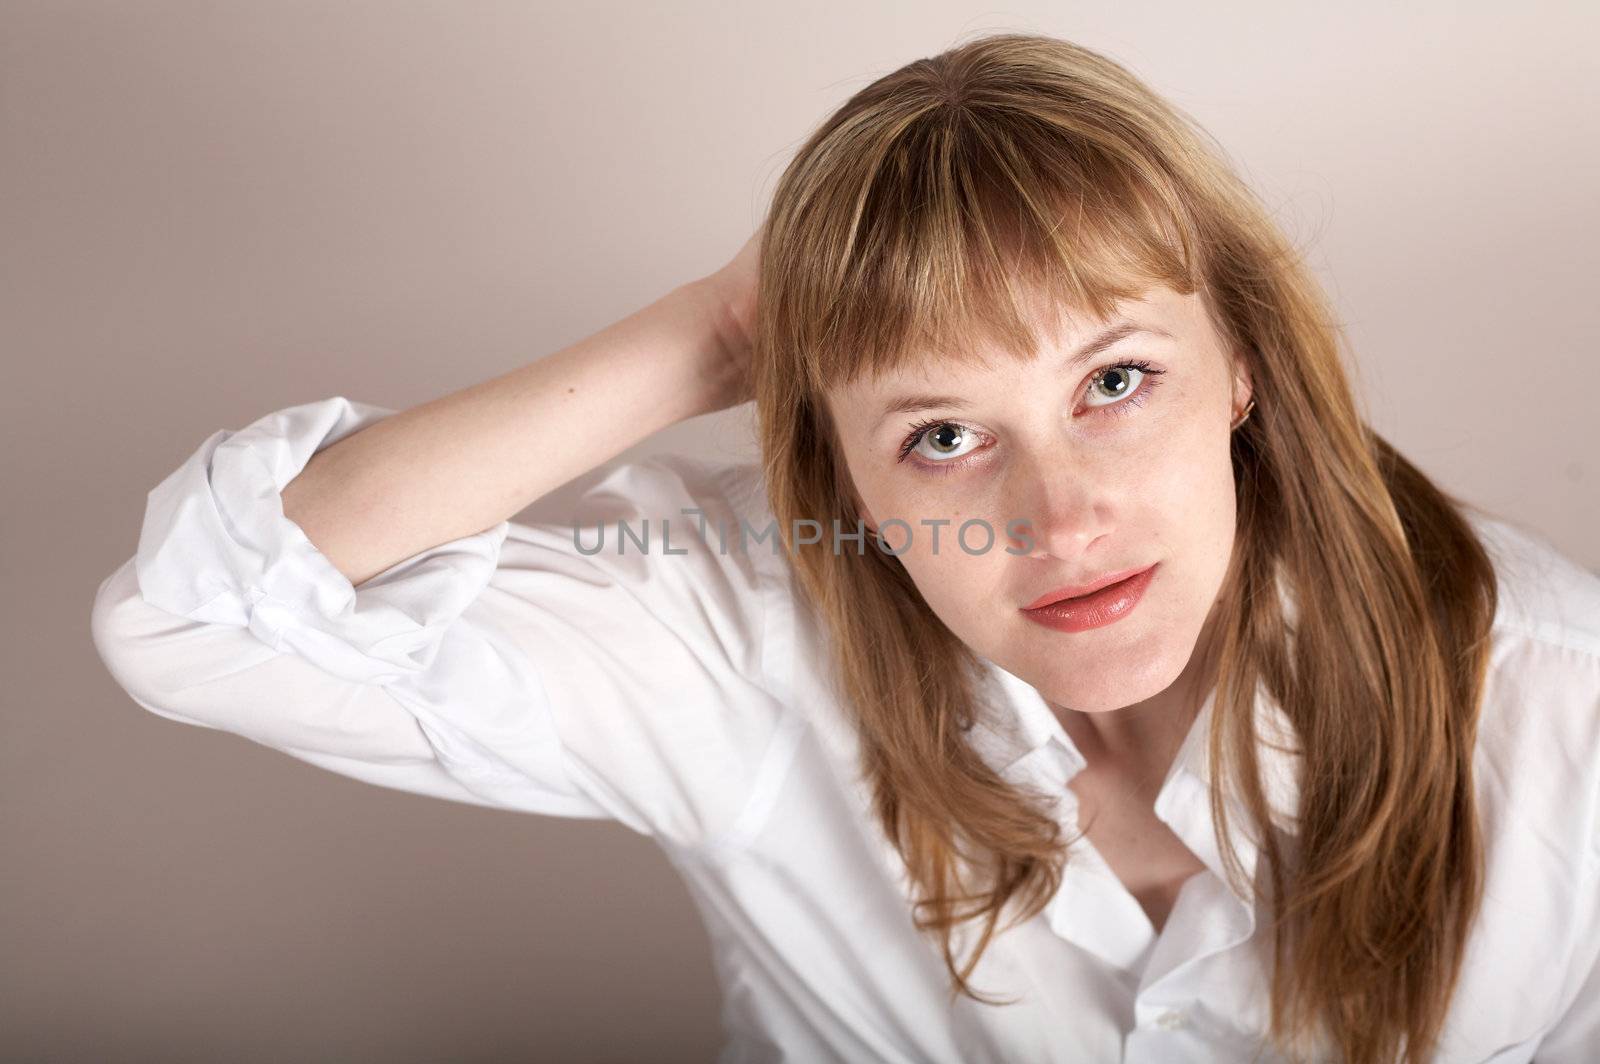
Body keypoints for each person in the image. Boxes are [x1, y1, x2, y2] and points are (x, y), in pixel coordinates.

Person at [90, 32, 1599, 1064]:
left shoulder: (1562, 717)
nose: (1060, 518)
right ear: (846, 479)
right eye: (942, 433)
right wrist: (734, 329)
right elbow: (200, 618)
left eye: (1115, 384)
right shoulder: (748, 645)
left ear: (1245, 370)